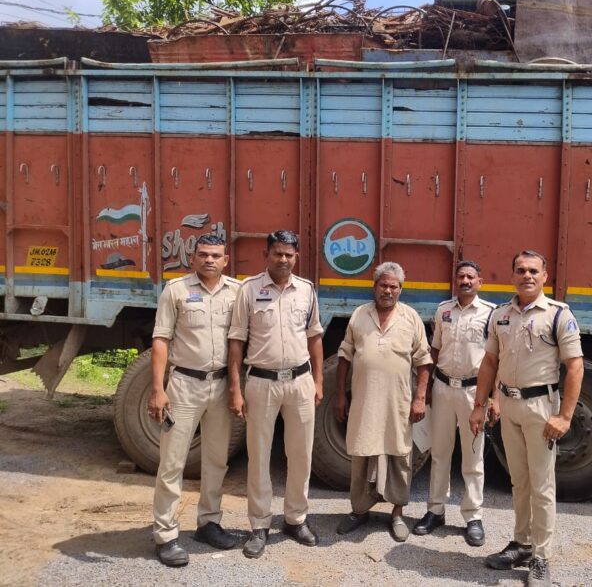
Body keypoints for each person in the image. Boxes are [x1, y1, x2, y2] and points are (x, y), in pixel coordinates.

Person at [468, 250, 584, 587]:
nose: (527, 276)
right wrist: (480, 404)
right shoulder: (500, 315)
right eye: (520, 270)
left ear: (545, 276)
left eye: (534, 270)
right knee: (519, 481)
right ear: (512, 276)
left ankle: (541, 557)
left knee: (542, 485)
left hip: (541, 409)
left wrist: (565, 416)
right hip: (509, 405)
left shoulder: (558, 314)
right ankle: (521, 544)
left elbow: (575, 365)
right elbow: (490, 362)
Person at [227, 230, 324, 559]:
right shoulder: (249, 289)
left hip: (300, 381)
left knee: (301, 454)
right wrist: (235, 388)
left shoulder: (306, 290)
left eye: (289, 254)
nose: (283, 259)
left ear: (296, 257)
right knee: (259, 455)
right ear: (266, 255)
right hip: (261, 382)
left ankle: (296, 519)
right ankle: (259, 525)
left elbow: (314, 337)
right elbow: (237, 341)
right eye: (278, 253)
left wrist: (319, 381)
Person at [149, 234, 241, 567]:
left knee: (216, 460)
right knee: (172, 462)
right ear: (193, 258)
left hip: (221, 386)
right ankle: (166, 535)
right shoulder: (176, 290)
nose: (209, 260)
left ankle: (209, 523)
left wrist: (238, 387)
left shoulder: (237, 292)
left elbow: (241, 340)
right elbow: (161, 339)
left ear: (226, 260)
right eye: (203, 254)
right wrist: (158, 389)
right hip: (184, 386)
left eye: (216, 255)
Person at [333, 262, 433, 542]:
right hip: (364, 402)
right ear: (374, 287)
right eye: (383, 285)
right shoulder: (359, 315)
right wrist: (339, 395)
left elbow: (423, 361)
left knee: (400, 455)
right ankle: (359, 510)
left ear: (400, 289)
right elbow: (344, 357)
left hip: (398, 403)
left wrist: (420, 398)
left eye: (393, 286)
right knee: (361, 454)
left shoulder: (410, 317)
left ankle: (397, 513)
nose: (387, 291)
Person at [413, 260, 496, 546]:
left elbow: (495, 359)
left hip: (474, 393)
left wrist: (493, 399)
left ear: (480, 282)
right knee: (440, 452)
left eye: (471, 277)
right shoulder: (443, 310)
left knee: (473, 456)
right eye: (461, 276)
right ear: (455, 280)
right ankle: (435, 511)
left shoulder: (490, 314)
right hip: (443, 387)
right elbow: (434, 349)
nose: (465, 281)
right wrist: (426, 389)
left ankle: (473, 517)